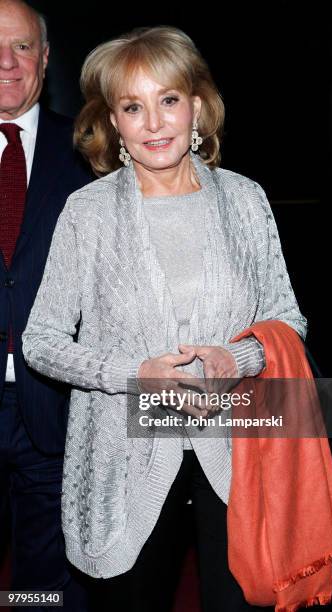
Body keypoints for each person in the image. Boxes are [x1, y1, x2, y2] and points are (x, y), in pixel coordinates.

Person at [22, 26, 307, 612]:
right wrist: (135, 372)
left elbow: (286, 315)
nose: (153, 123)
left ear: (197, 107)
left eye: (168, 100)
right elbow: (42, 341)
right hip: (125, 451)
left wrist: (239, 357)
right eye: (133, 107)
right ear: (115, 122)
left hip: (236, 441)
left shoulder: (245, 199)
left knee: (241, 600)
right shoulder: (89, 213)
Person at [0, 1, 93, 609]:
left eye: (23, 47)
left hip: (54, 407)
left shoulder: (94, 153)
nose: (7, 63)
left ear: (46, 58)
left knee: (45, 588)